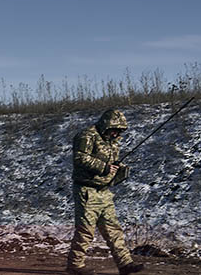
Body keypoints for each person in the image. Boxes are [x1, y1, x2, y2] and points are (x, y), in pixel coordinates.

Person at [66, 109, 145, 275]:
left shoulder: (112, 141)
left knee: (113, 230)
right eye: (114, 129)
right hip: (87, 191)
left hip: (104, 192)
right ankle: (75, 266)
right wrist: (104, 167)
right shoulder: (86, 136)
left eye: (119, 131)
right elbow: (80, 158)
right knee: (85, 231)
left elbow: (110, 161)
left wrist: (118, 169)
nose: (116, 133)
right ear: (106, 125)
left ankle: (125, 264)